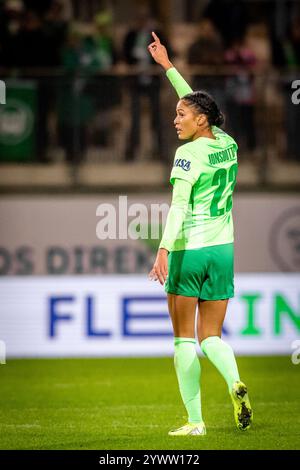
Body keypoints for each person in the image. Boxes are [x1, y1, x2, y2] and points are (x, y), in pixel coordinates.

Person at [147, 32, 253, 437]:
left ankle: (195, 422)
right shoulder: (227, 143)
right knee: (212, 336)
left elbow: (178, 207)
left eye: (180, 115)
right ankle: (234, 382)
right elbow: (198, 102)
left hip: (190, 249)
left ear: (200, 120)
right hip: (223, 250)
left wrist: (163, 248)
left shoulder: (187, 154)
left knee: (182, 340)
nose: (176, 120)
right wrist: (169, 67)